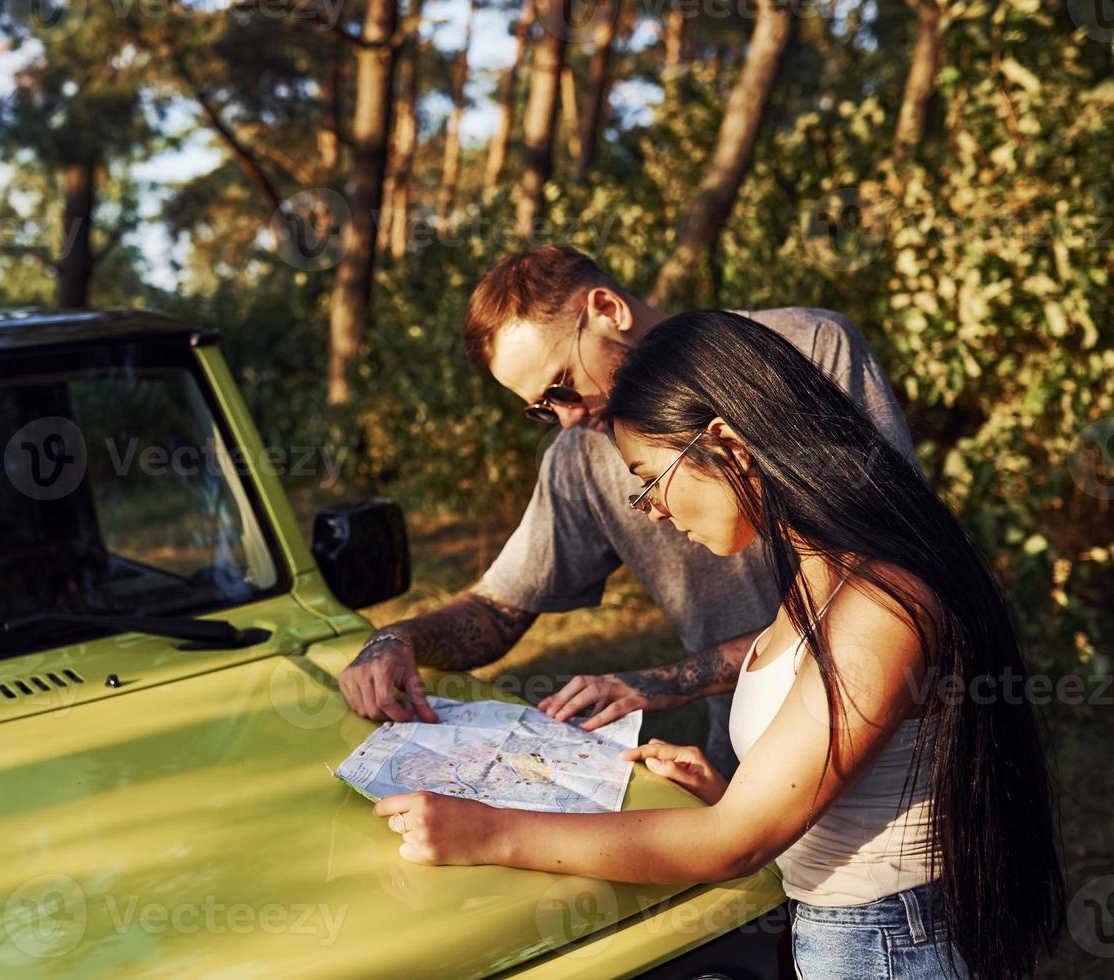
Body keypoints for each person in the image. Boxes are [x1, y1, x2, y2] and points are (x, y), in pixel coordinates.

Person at [370, 310, 1065, 980]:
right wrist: (730, 790)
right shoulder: (814, 570)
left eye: (649, 479)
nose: (655, 510)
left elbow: (738, 843)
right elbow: (837, 786)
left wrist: (485, 832)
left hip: (883, 946)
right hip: (849, 930)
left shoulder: (877, 605)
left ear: (728, 445)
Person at [338, 244, 919, 778]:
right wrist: (398, 639)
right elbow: (499, 608)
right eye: (542, 408)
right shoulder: (580, 455)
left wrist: (668, 682)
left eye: (561, 385)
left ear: (607, 308)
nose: (565, 417)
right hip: (744, 758)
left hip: (888, 753)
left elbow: (892, 570)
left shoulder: (808, 351)